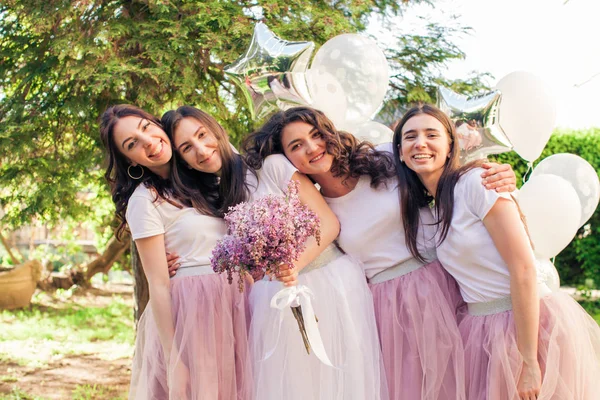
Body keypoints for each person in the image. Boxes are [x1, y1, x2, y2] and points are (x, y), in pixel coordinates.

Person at [243, 106, 516, 400]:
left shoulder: (384, 158)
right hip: (387, 307)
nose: (312, 148)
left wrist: (493, 172)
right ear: (288, 161)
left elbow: (442, 170)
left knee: (470, 381)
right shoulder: (314, 213)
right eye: (296, 145)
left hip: (442, 282)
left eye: (316, 135)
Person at [164, 105, 387, 400]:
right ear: (183, 161)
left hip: (328, 281)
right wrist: (171, 264)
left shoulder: (270, 166)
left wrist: (293, 266)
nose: (201, 150)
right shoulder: (211, 199)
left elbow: (328, 223)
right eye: (186, 148)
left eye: (203, 135)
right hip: (272, 298)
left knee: (340, 382)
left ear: (215, 129)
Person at [394, 103, 600, 400]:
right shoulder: (434, 207)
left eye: (431, 134)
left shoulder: (478, 183)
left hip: (525, 325)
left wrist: (528, 360)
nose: (420, 143)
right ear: (400, 151)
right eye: (410, 136)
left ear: (451, 145)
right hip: (480, 330)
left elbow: (524, 269)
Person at [100, 104, 252, 400]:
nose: (147, 143)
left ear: (158, 125)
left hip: (238, 300)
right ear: (128, 159)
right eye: (132, 144)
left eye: (146, 128)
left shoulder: (204, 176)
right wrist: (174, 358)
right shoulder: (145, 200)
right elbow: (157, 284)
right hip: (195, 312)